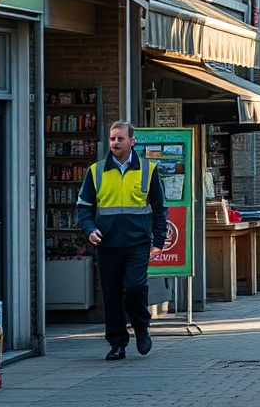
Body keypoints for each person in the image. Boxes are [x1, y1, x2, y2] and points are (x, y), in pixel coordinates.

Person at [77, 120, 167, 361]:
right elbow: (83, 208)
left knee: (135, 287)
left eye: (120, 138)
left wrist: (158, 241)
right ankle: (117, 344)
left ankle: (141, 327)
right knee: (111, 294)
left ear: (132, 141)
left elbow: (160, 209)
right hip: (107, 244)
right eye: (112, 138)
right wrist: (89, 229)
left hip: (138, 242)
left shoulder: (149, 170)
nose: (115, 143)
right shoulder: (95, 171)